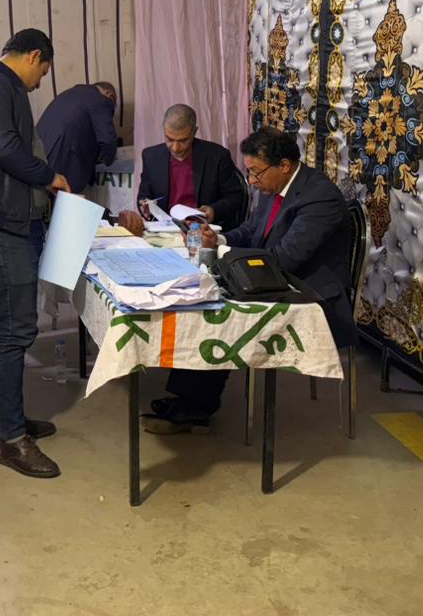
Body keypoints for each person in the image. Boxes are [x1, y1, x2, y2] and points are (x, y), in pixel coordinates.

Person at [145, 127, 355, 434]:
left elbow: (285, 258)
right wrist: (218, 239)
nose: (252, 181)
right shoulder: (274, 186)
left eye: (256, 172)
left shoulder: (319, 197)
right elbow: (250, 231)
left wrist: (225, 254)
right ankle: (190, 399)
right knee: (206, 299)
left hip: (309, 293)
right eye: (249, 173)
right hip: (277, 278)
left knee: (219, 311)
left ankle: (196, 406)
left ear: (285, 165)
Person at [0, 28, 70, 478]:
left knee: (4, 325)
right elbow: (5, 150)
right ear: (35, 56)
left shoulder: (0, 87)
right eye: (44, 71)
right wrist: (48, 176)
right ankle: (12, 440)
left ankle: (3, 419)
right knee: (12, 329)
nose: (40, 82)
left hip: (7, 218)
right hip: (0, 223)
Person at [117, 104, 246, 235]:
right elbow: (144, 196)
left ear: (194, 132)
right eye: (169, 139)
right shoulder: (151, 156)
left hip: (203, 232)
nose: (175, 148)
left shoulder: (217, 156)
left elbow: (235, 197)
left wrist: (214, 210)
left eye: (183, 140)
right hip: (164, 231)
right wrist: (145, 207)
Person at [36, 82, 119, 195]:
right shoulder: (98, 99)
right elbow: (108, 139)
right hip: (62, 158)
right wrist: (109, 159)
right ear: (108, 94)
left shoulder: (71, 94)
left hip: (40, 151)